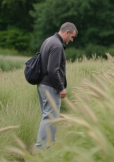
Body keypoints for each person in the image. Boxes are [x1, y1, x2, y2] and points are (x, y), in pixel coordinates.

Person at [35, 22, 78, 150]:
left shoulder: (48, 40)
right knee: (49, 118)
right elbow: (53, 70)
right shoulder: (57, 45)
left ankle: (49, 149)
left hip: (42, 85)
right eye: (72, 37)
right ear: (67, 32)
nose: (71, 40)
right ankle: (40, 151)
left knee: (51, 118)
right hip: (50, 87)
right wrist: (61, 88)